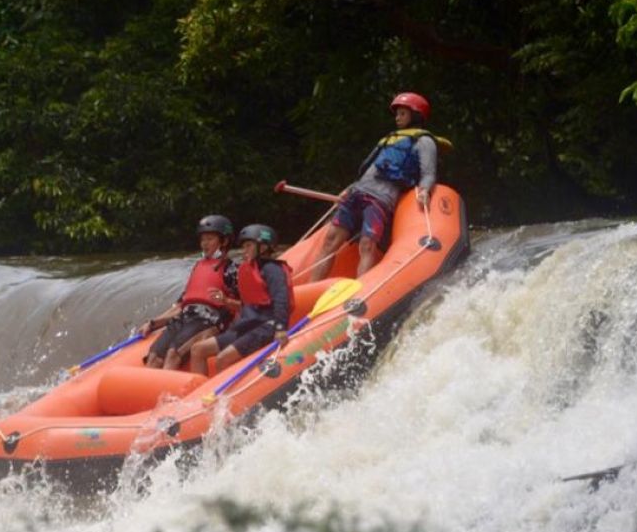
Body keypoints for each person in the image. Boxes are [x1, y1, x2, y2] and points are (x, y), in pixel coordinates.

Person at [310, 91, 449, 281]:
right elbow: (370, 170)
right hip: (357, 192)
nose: (397, 118)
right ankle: (311, 288)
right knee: (329, 242)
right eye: (397, 114)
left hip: (380, 199)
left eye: (402, 114)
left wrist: (425, 190)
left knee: (367, 245)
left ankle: (358, 296)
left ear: (416, 115)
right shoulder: (388, 139)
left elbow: (428, 172)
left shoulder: (424, 141)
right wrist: (351, 187)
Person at [190, 224, 294, 377]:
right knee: (197, 349)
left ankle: (222, 400)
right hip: (248, 325)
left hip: (266, 327)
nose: (244, 250)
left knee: (222, 359)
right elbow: (248, 305)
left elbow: (281, 300)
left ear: (263, 247)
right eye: (243, 246)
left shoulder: (272, 269)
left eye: (248, 245)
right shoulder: (249, 269)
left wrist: (280, 329)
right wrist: (225, 301)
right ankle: (197, 393)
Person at [139, 215, 239, 370]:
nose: (204, 244)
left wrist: (226, 302)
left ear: (224, 241)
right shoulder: (198, 267)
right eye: (202, 239)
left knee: (173, 354)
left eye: (210, 239)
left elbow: (248, 306)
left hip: (209, 320)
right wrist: (152, 323)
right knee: (154, 358)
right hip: (184, 318)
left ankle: (167, 393)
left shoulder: (231, 269)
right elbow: (180, 306)